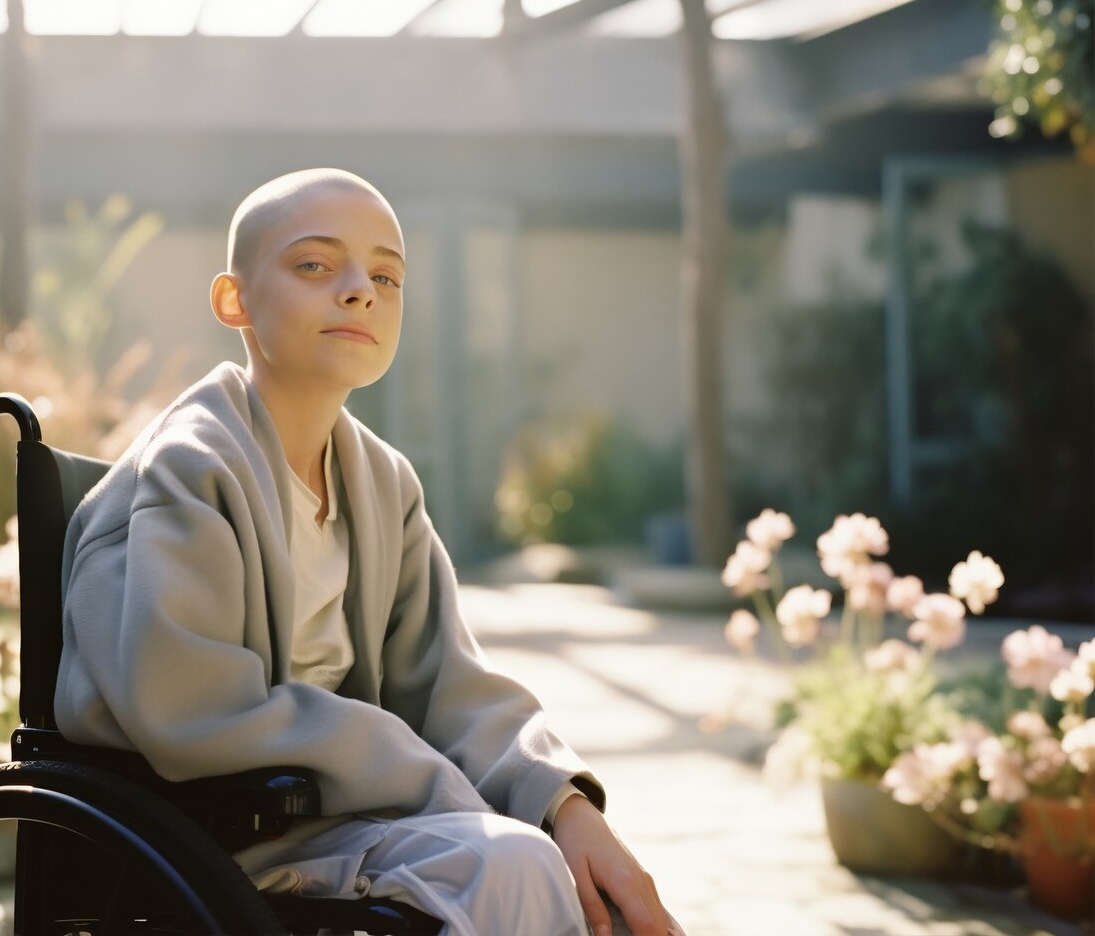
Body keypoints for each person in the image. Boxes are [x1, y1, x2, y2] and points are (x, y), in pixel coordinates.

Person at [55, 168, 681, 936]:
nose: (360, 291)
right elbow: (195, 709)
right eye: (315, 265)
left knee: (572, 874)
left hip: (339, 821)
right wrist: (429, 780)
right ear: (234, 301)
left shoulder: (383, 482)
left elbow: (451, 683)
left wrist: (566, 805)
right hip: (204, 837)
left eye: (386, 275)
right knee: (511, 865)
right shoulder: (190, 470)